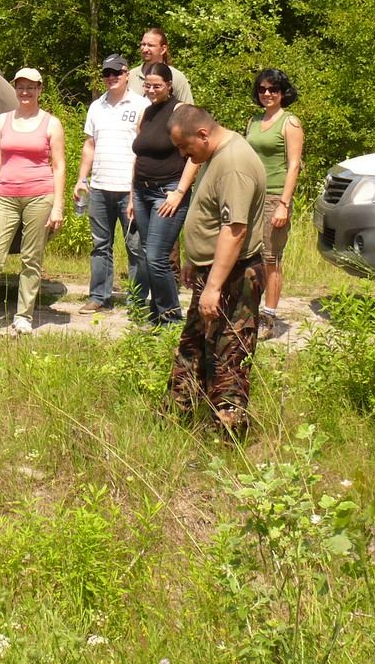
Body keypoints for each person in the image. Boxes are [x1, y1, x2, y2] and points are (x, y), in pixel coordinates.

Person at [167, 105, 267, 437]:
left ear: (203, 134)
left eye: (185, 147)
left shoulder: (234, 164)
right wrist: (195, 260)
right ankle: (177, 420)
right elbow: (211, 215)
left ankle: (228, 441)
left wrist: (213, 286)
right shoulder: (215, 155)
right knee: (193, 348)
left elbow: (234, 231)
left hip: (233, 277)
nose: (184, 155)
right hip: (213, 273)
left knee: (229, 357)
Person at [0, 67, 66, 334]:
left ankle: (23, 316)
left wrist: (58, 205)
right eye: (21, 86)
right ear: (15, 89)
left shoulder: (51, 123)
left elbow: (58, 165)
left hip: (39, 195)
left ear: (39, 90)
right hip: (5, 196)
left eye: (31, 87)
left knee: (31, 258)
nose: (25, 91)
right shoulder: (2, 121)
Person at [73, 53, 148, 312]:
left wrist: (135, 188)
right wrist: (82, 179)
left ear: (127, 74)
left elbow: (144, 150)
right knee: (100, 245)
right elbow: (89, 145)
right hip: (100, 187)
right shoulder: (96, 106)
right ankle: (99, 297)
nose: (111, 78)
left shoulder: (141, 105)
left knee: (136, 247)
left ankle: (137, 301)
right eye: (106, 73)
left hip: (129, 189)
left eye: (116, 72)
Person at [128, 63, 199, 326]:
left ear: (169, 85)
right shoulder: (145, 113)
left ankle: (171, 318)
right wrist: (132, 195)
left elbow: (194, 156)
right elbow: (138, 155)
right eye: (147, 85)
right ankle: (158, 313)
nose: (151, 90)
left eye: (157, 86)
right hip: (142, 192)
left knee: (157, 256)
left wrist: (179, 192)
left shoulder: (180, 111)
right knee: (149, 255)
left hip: (167, 193)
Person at [245, 68, 304, 340]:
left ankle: (268, 317)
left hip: (275, 197)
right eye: (263, 89)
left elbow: (294, 165)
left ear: (283, 92)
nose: (267, 94)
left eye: (273, 89)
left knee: (271, 258)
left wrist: (284, 203)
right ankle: (249, 311)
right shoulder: (253, 121)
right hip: (250, 197)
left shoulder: (289, 122)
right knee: (248, 256)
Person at [127, 27, 194, 103]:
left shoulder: (176, 77)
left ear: (163, 49)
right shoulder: (130, 76)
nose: (145, 49)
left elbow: (188, 111)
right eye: (143, 44)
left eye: (150, 45)